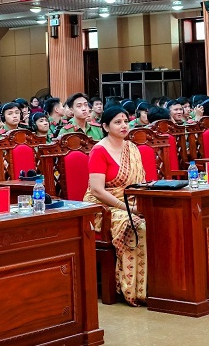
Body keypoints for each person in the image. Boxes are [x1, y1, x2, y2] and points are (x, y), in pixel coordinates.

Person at [83, 106, 147, 306]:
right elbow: (97, 190)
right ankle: (132, 290)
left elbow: (140, 183)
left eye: (126, 121)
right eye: (117, 122)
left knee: (160, 218)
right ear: (105, 127)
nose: (123, 126)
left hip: (132, 202)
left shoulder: (132, 148)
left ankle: (155, 285)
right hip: (103, 209)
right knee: (138, 225)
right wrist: (125, 207)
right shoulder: (99, 151)